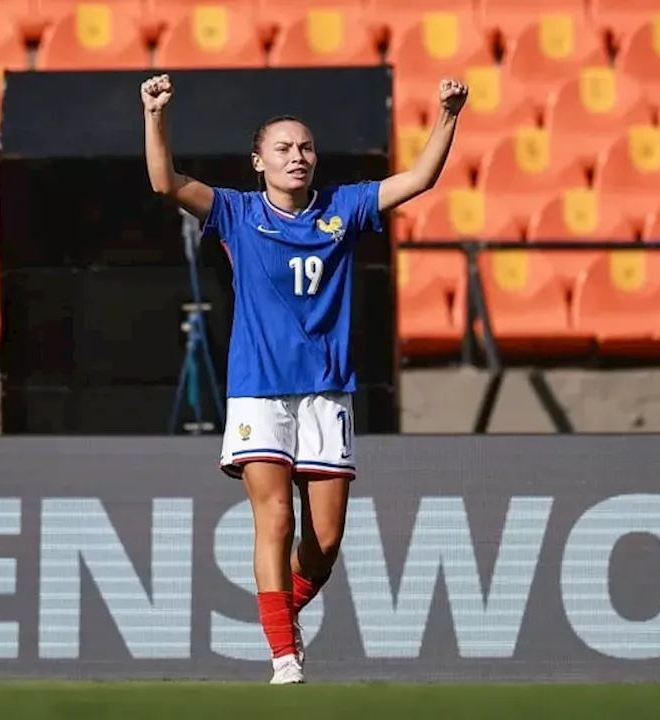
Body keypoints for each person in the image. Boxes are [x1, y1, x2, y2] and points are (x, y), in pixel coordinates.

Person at [141, 72, 469, 684]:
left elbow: (420, 180)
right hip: (260, 391)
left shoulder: (342, 207)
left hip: (326, 391)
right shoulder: (237, 212)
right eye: (285, 148)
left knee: (324, 543)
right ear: (258, 161)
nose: (299, 157)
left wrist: (448, 114)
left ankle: (275, 619)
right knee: (276, 520)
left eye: (307, 147)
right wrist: (154, 114)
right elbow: (165, 183)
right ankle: (283, 655)